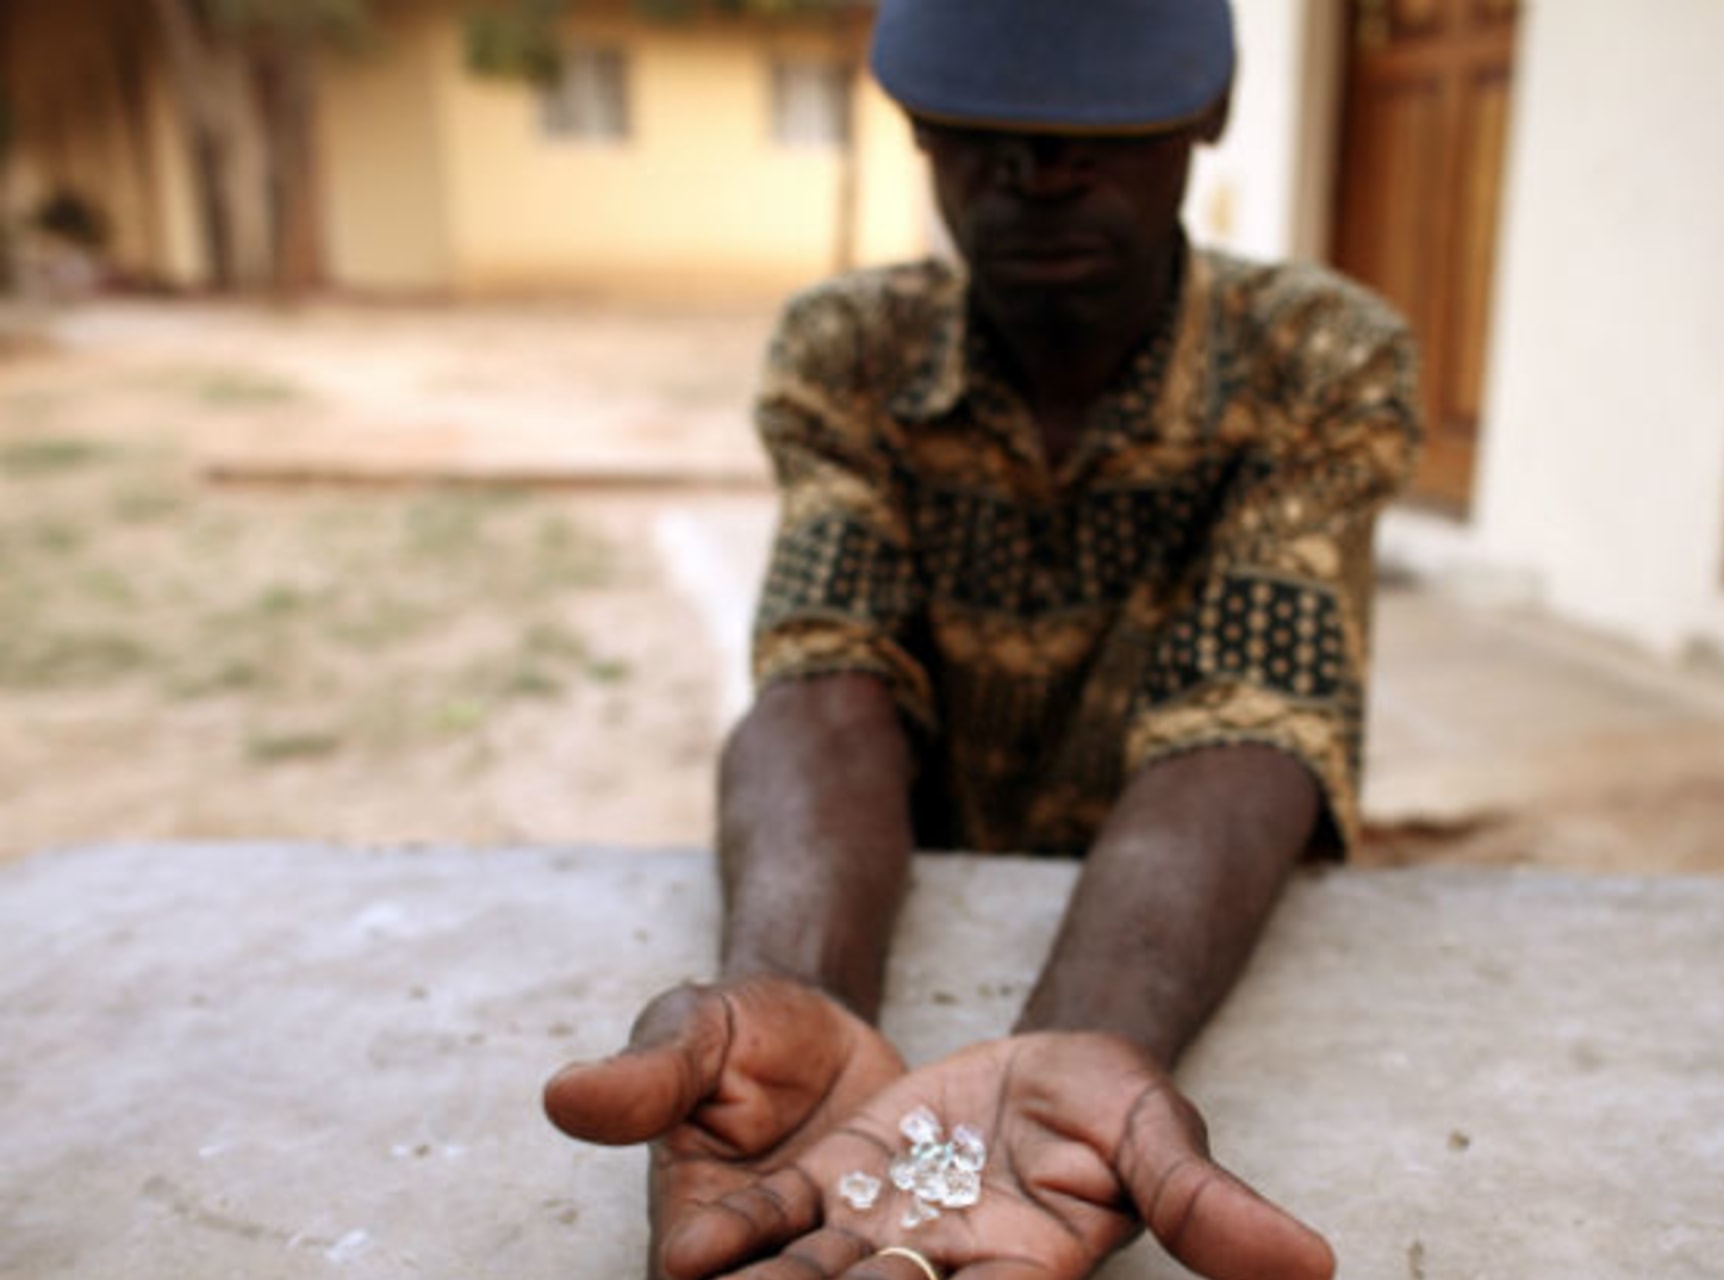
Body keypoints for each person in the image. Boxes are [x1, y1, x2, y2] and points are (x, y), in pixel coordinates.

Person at [544, 1, 1420, 1277]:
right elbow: (825, 677)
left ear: (1211, 113)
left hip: (1181, 897)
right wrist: (794, 986)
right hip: (924, 859)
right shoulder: (847, 350)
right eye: (988, 127)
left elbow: (1251, 715)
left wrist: (1080, 1050)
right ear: (915, 120)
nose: (1039, 171)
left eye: (1096, 129)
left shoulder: (1318, 357)